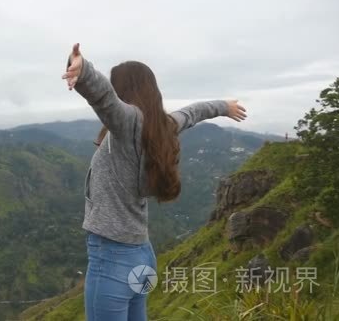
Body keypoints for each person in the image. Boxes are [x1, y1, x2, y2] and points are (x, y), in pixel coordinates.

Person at [61, 43, 247, 321]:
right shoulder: (163, 126)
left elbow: (104, 99)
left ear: (123, 90)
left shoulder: (129, 122)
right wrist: (223, 106)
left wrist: (84, 71)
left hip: (112, 257)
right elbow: (193, 112)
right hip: (142, 255)